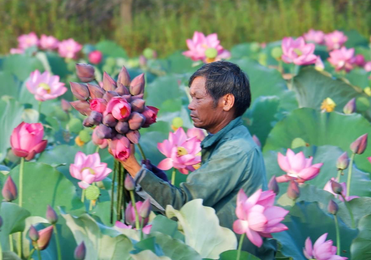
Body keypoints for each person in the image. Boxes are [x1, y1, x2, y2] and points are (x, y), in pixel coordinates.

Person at [114, 61, 267, 230]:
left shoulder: (235, 150)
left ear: (227, 102)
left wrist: (130, 163)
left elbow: (184, 206)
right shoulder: (229, 141)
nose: (190, 105)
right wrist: (149, 176)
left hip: (232, 255)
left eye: (198, 98)